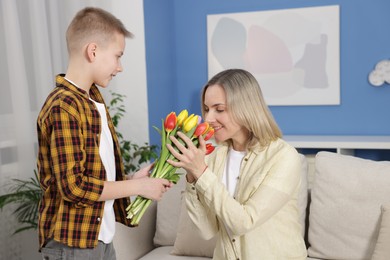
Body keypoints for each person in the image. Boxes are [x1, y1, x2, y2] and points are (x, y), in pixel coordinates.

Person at [36, 7, 172, 260]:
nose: (119, 67)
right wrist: (140, 186)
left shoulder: (92, 101)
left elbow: (93, 174)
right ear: (93, 51)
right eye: (118, 56)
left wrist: (132, 180)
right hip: (73, 243)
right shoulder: (65, 106)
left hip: (99, 238)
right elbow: (74, 188)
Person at [167, 69, 307, 259]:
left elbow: (244, 222)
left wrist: (201, 173)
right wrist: (192, 177)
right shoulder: (213, 157)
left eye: (219, 109)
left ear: (246, 107)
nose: (208, 119)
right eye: (207, 109)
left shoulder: (284, 157)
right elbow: (206, 231)